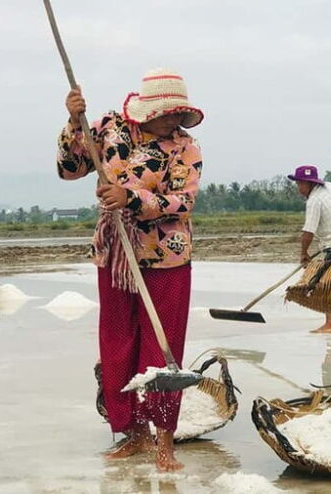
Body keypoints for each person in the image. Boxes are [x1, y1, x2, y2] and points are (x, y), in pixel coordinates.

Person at [56, 68, 204, 471]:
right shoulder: (109, 128)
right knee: (118, 341)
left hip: (165, 256)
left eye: (178, 114)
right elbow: (70, 169)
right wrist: (73, 122)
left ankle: (164, 440)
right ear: (148, 111)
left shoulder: (185, 147)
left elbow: (183, 201)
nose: (174, 121)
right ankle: (133, 433)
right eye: (168, 114)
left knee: (162, 347)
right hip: (115, 251)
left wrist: (131, 198)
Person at [288, 165, 331, 333]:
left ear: (309, 183)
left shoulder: (314, 201)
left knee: (326, 284)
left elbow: (308, 231)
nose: (299, 188)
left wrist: (304, 253)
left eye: (300, 184)